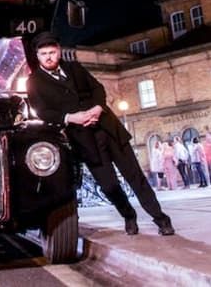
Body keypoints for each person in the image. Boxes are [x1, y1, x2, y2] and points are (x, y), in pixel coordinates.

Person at [25, 31, 175, 236]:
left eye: (52, 52)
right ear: (37, 55)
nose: (49, 57)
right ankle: (128, 215)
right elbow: (42, 111)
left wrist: (97, 108)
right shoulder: (34, 82)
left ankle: (161, 219)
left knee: (135, 177)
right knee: (109, 185)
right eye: (44, 54)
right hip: (84, 139)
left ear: (59, 51)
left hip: (108, 129)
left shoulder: (74, 67)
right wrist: (70, 117)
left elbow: (98, 89)